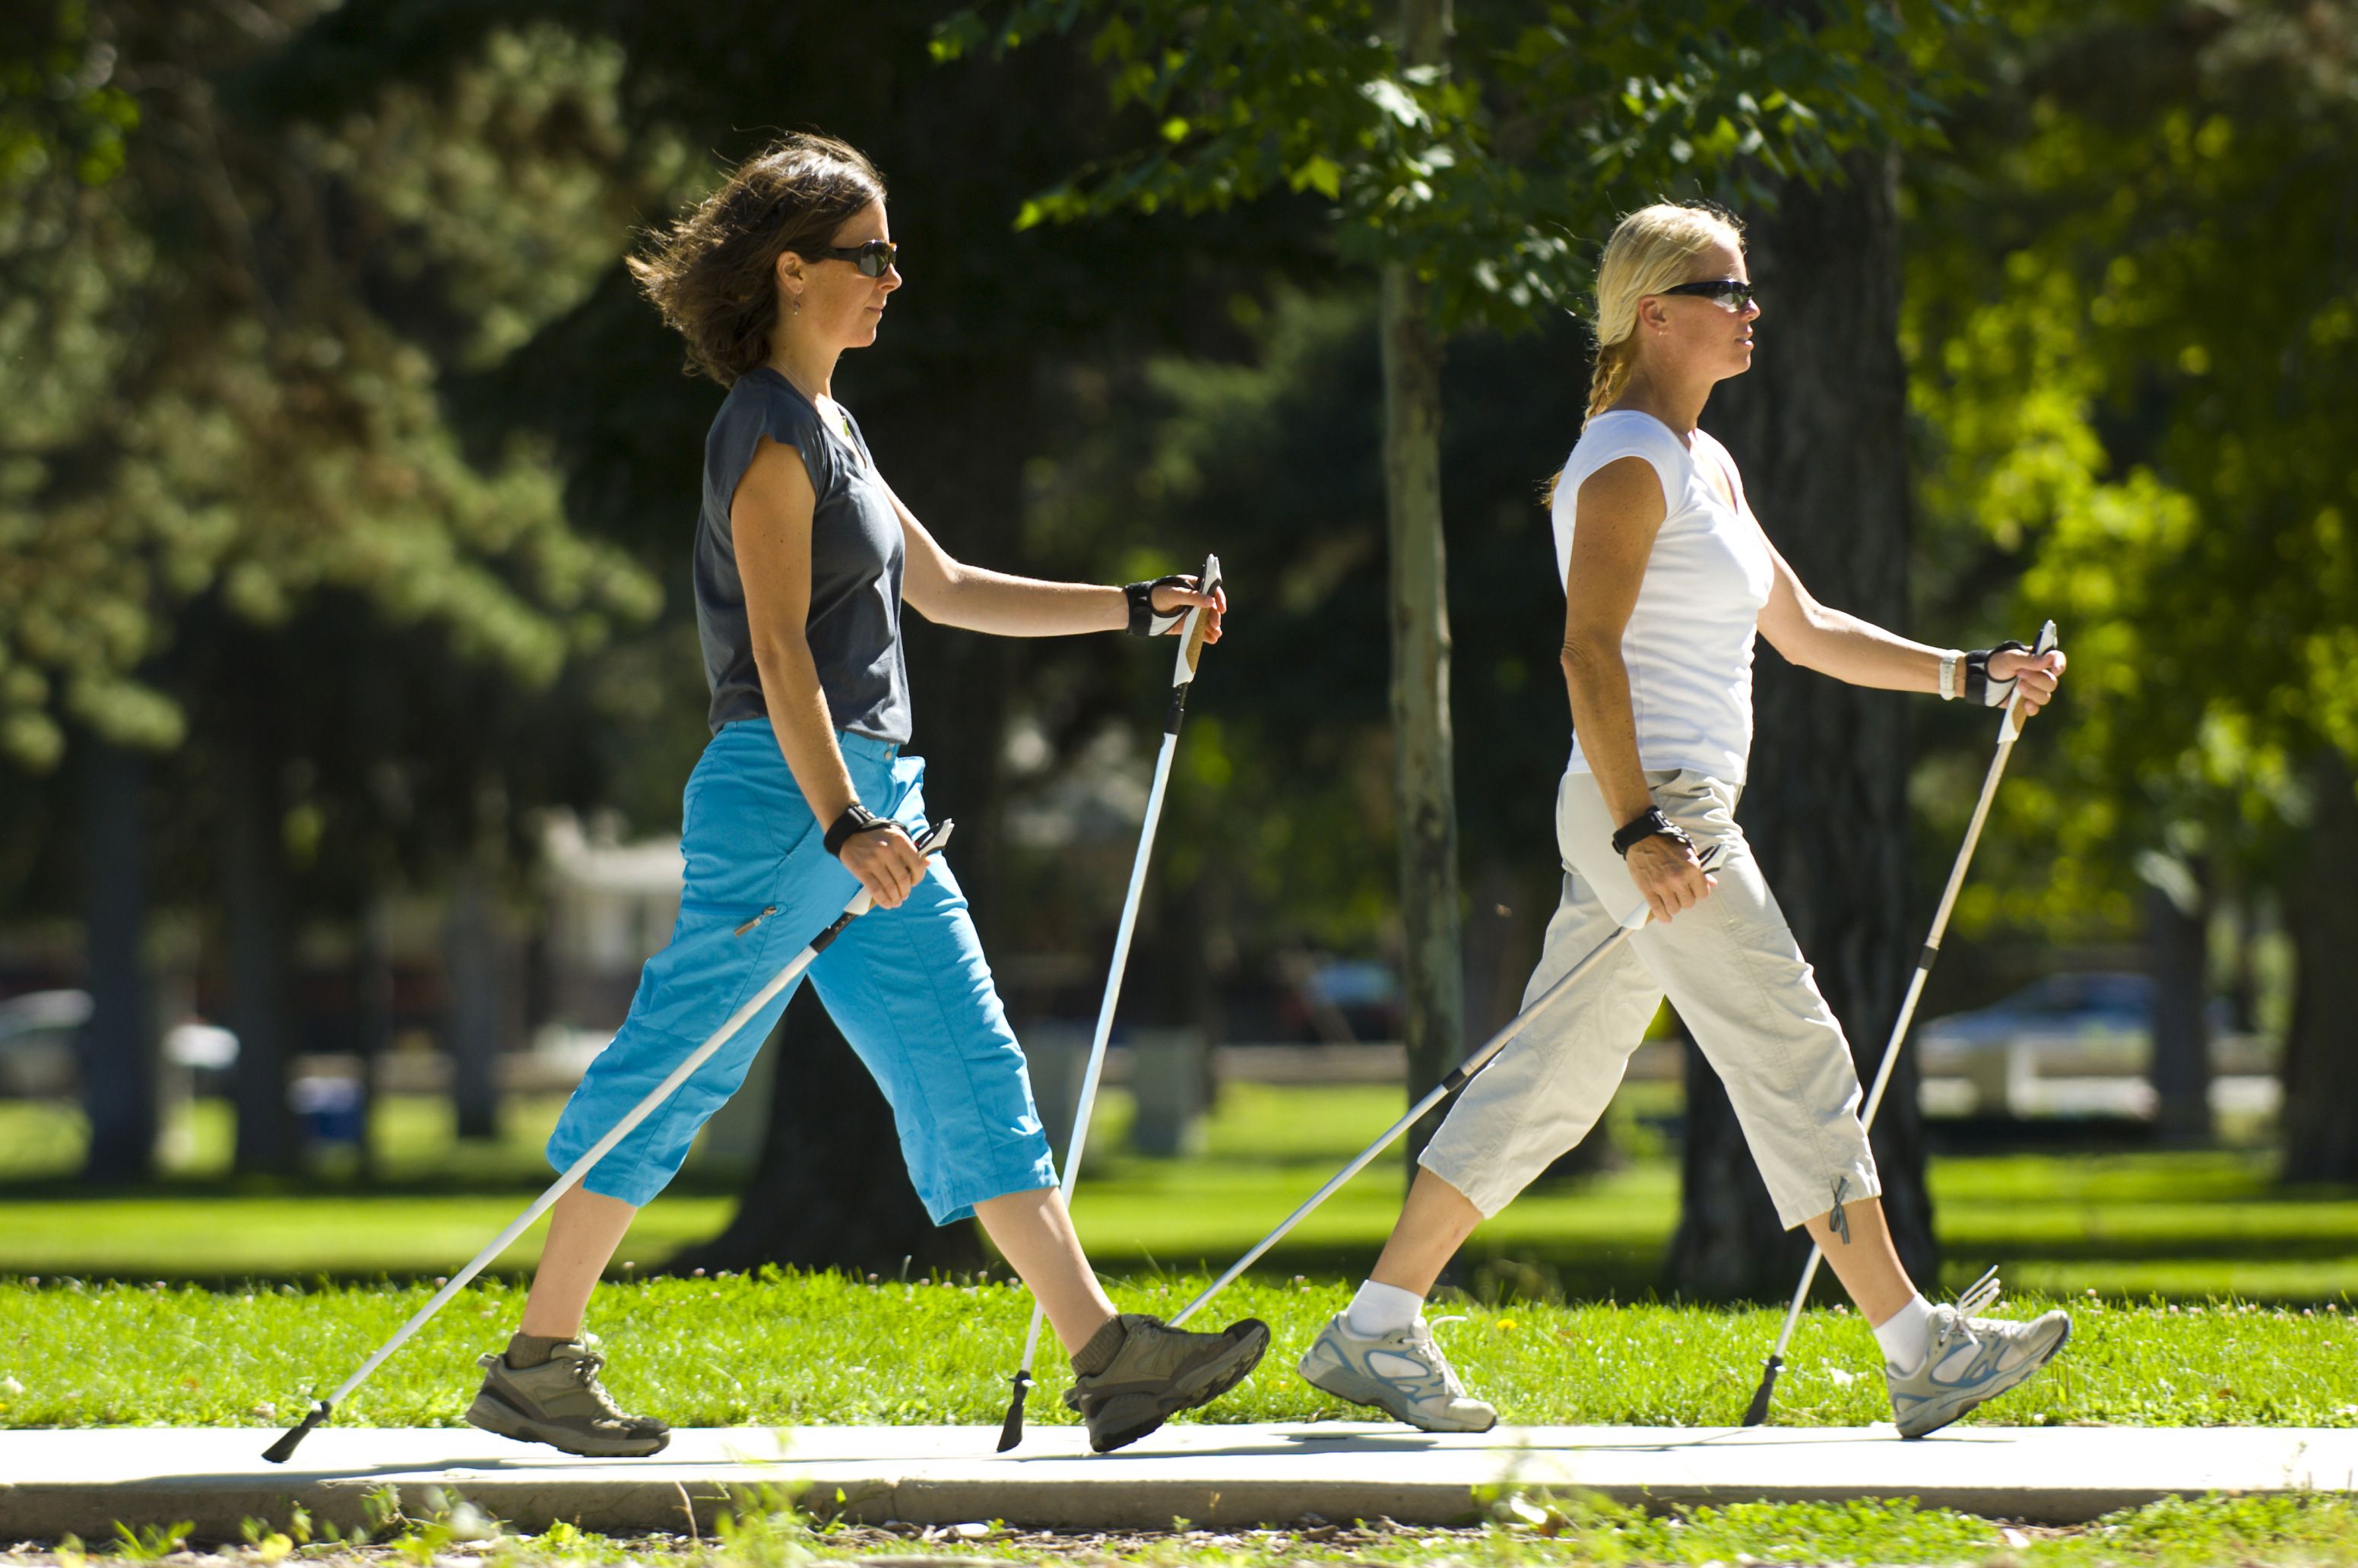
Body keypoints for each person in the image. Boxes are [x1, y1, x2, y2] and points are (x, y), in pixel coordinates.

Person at [462, 133, 1267, 1460]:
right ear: (791, 273)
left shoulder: (835, 422)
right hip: (795, 798)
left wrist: (1136, 609)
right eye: (869, 257)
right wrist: (842, 821)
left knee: (968, 1062)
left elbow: (943, 589)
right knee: (682, 1067)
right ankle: (540, 1358)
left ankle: (1107, 1356)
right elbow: (778, 651)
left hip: (876, 801)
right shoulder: (765, 429)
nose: (894, 278)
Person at [1294, 201, 2072, 1443]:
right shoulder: (1622, 459)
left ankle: (1377, 1323)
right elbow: (1583, 651)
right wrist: (1639, 827)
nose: (1750, 308)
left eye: (1748, 287)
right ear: (1654, 311)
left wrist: (1964, 674)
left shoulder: (1700, 461)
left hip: (1642, 809)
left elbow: (1803, 627)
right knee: (1791, 1039)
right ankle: (1917, 1347)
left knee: (1552, 1079)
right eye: (1725, 288)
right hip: (1654, 808)